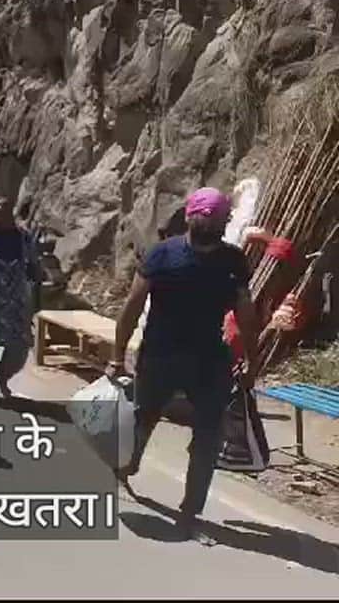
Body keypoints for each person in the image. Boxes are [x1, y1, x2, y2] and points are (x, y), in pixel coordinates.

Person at [110, 187, 261, 544]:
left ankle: (191, 510)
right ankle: (127, 466)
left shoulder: (233, 261)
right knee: (142, 420)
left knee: (208, 437)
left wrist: (252, 360)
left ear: (225, 221)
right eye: (205, 215)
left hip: (209, 361)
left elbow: (246, 314)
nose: (210, 221)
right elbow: (133, 305)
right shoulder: (163, 254)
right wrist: (116, 356)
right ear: (190, 216)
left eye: (217, 216)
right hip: (159, 357)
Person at [0, 199, 41, 400]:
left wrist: (36, 297)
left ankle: (3, 376)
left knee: (20, 347)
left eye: (7, 211)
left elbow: (34, 266)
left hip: (17, 301)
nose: (3, 215)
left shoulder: (23, 237)